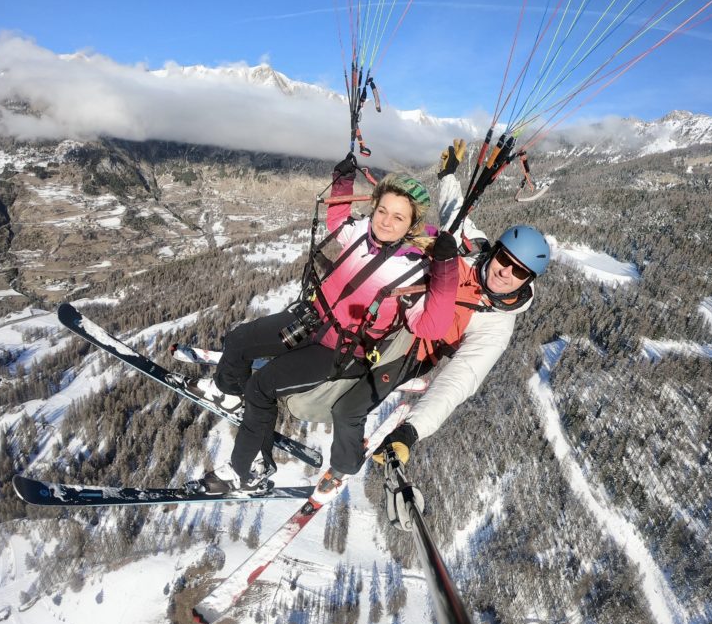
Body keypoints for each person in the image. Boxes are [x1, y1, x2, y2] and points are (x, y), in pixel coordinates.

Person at [186, 153, 459, 496]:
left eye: (398, 217)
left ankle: (247, 469)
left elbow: (431, 327)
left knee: (263, 386)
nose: (386, 222)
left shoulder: (415, 270)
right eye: (382, 211)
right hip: (312, 317)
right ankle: (229, 392)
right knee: (239, 340)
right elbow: (336, 220)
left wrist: (446, 268)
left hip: (339, 350)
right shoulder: (360, 232)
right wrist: (342, 181)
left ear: (411, 225)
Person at [318, 139, 551, 485]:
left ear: (528, 280)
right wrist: (447, 175)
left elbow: (461, 380)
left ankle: (343, 466)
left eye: (519, 272)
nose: (506, 272)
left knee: (346, 408)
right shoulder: (475, 249)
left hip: (413, 347)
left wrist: (411, 431)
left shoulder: (496, 326)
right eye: (504, 260)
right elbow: (456, 211)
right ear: (496, 252)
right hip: (395, 306)